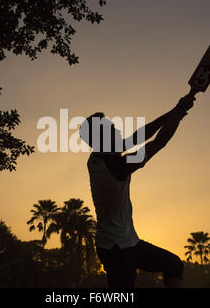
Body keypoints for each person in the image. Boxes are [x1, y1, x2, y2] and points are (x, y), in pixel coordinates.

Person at [79, 94, 195, 288]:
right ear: (101, 137)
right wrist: (178, 113)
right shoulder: (117, 165)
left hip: (128, 242)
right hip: (117, 249)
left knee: (173, 264)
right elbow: (159, 142)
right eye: (110, 128)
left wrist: (177, 110)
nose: (115, 129)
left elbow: (139, 136)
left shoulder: (99, 155)